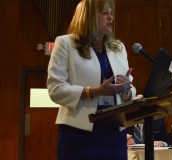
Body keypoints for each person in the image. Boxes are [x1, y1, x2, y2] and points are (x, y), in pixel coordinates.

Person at [47, 0, 136, 159]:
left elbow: (130, 90)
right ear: (88, 17)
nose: (111, 17)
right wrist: (94, 91)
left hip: (114, 133)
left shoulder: (118, 48)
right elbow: (56, 89)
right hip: (79, 134)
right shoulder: (65, 43)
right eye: (104, 13)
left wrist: (126, 90)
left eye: (111, 13)